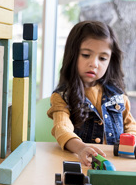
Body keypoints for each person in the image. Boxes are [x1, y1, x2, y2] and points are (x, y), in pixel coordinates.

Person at [47, 20, 136, 166]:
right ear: (73, 55)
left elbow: (130, 125)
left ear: (110, 60)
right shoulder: (62, 97)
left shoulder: (118, 96)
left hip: (119, 165)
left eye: (102, 58)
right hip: (84, 164)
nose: (94, 63)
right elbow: (61, 128)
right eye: (86, 55)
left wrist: (132, 139)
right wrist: (81, 148)